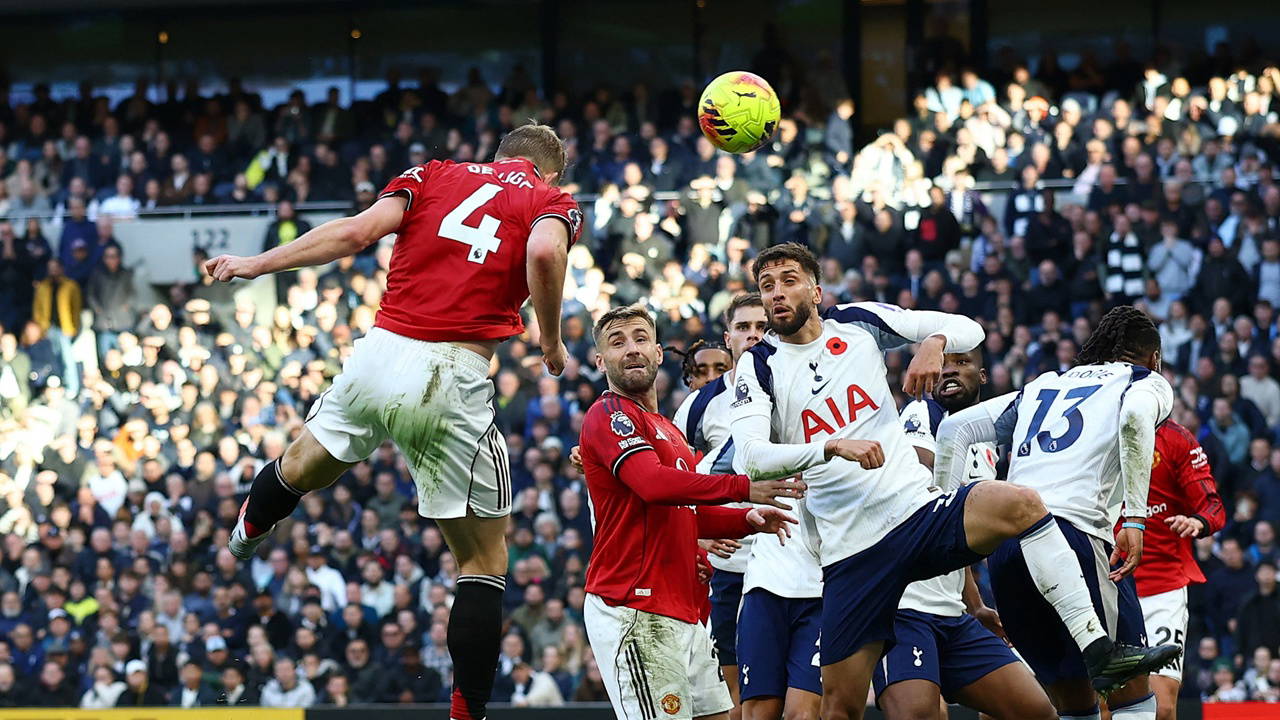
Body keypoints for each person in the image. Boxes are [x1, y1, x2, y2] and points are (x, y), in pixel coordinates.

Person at [204, 124, 583, 720]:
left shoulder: (434, 173)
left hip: (379, 352)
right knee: (483, 564)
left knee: (301, 464)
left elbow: (354, 233)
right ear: (551, 171)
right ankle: (467, 712)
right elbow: (542, 252)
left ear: (497, 155)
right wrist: (552, 342)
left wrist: (254, 265)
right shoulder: (550, 200)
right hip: (453, 371)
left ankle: (248, 529)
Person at [727, 244, 1177, 720]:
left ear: (815, 290)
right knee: (837, 708)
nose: (777, 293)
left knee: (1020, 503)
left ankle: (1098, 651)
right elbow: (753, 458)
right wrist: (831, 447)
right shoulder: (757, 368)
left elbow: (970, 328)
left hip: (916, 515)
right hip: (851, 550)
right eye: (767, 285)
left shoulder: (856, 322)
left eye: (789, 280)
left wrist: (936, 342)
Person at [939, 306, 1180, 720]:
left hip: (1007, 553)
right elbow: (1137, 417)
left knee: (1073, 702)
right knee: (1132, 696)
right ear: (1153, 357)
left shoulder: (1044, 384)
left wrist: (941, 515)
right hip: (1076, 538)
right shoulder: (1142, 380)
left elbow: (953, 430)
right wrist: (1136, 518)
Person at [578, 304, 802, 720]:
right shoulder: (609, 414)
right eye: (617, 342)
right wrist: (742, 488)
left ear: (659, 353)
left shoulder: (670, 431)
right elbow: (652, 485)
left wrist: (745, 518)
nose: (631, 350)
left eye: (640, 339)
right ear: (600, 361)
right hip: (634, 606)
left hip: (681, 609)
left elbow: (683, 512)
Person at [879, 347, 1056, 720]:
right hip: (903, 607)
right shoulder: (922, 413)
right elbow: (924, 478)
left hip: (951, 612)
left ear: (983, 375)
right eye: (943, 364)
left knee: (1037, 712)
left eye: (962, 363)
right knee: (920, 715)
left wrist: (974, 604)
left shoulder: (987, 444)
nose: (949, 372)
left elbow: (958, 536)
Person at [1123, 420, 1225, 720]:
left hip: (1161, 587)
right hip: (1106, 584)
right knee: (1103, 704)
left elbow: (1213, 506)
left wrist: (1198, 521)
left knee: (1162, 707)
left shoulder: (1175, 437)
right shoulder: (1095, 425)